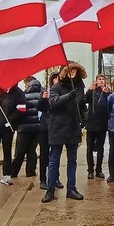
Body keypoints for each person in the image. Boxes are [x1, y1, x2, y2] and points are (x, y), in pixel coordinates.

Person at [42, 62, 86, 203]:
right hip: (58, 127)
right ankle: (50, 190)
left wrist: (84, 119)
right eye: (70, 70)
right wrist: (69, 96)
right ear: (65, 72)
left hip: (73, 128)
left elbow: (82, 105)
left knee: (72, 160)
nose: (72, 72)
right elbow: (53, 102)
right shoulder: (56, 87)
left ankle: (71, 189)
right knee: (54, 159)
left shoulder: (79, 87)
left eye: (75, 70)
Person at [0, 83, 26, 188]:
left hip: (8, 127)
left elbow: (22, 110)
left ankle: (6, 175)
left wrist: (10, 121)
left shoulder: (19, 93)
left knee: (7, 151)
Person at [10, 76, 42, 178]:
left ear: (28, 83)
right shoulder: (42, 95)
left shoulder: (23, 95)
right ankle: (30, 172)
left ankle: (13, 172)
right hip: (38, 127)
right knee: (32, 151)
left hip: (24, 127)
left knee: (20, 151)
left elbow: (19, 112)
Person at [37, 72, 64, 191]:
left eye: (58, 78)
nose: (56, 80)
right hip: (44, 127)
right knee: (44, 154)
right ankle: (43, 179)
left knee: (55, 154)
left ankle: (55, 178)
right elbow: (39, 108)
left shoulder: (61, 92)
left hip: (56, 127)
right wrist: (43, 99)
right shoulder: (45, 92)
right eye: (54, 79)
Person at [84, 74, 111, 179]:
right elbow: (85, 100)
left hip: (102, 124)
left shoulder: (107, 93)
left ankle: (98, 170)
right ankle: (90, 170)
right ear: (96, 81)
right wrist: (89, 90)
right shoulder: (92, 91)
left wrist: (107, 93)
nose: (101, 81)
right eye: (99, 79)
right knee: (90, 148)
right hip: (91, 124)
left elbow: (111, 104)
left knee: (101, 148)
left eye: (103, 79)